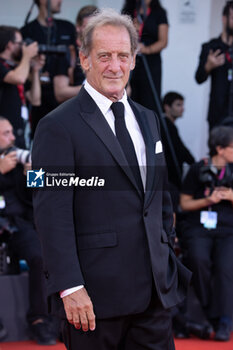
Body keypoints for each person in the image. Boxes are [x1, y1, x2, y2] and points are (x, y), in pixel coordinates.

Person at [32, 9, 191, 350]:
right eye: (104, 56)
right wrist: (69, 287)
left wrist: (167, 252)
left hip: (154, 297)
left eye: (122, 56)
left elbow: (158, 195)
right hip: (93, 301)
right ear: (84, 58)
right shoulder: (55, 126)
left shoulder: (149, 119)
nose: (114, 66)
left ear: (134, 59)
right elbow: (49, 214)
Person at [0, 116, 56, 345]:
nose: (13, 137)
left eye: (12, 132)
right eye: (6, 133)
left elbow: (36, 199)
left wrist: (33, 176)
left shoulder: (18, 158)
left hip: (18, 224)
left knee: (41, 255)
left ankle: (39, 321)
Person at [180, 126, 233, 341]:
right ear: (220, 149)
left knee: (224, 268)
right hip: (199, 228)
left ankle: (223, 321)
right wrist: (207, 200)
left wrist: (230, 196)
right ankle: (211, 314)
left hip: (227, 229)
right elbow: (184, 204)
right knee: (198, 260)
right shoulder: (197, 169)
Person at [21, 0, 76, 136]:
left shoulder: (67, 27)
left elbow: (77, 55)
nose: (61, 1)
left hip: (67, 97)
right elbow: (21, 65)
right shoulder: (27, 31)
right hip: (39, 98)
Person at [0, 26, 43, 148]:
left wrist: (35, 71)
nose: (23, 47)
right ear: (9, 45)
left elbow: (35, 100)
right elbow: (18, 78)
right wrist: (27, 56)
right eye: (20, 43)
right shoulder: (3, 66)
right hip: (3, 135)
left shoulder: (16, 68)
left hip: (20, 133)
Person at [122, 0, 168, 112]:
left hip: (151, 63)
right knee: (129, 97)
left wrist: (146, 49)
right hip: (130, 62)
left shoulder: (159, 12)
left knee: (150, 100)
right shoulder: (128, 11)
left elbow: (163, 41)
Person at [195, 1, 233, 129]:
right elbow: (199, 78)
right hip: (217, 113)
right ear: (224, 19)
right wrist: (209, 66)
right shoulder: (211, 47)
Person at [53, 5, 98, 103]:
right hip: (75, 111)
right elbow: (60, 93)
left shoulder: (105, 51)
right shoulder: (67, 52)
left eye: (96, 27)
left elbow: (127, 90)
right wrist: (96, 89)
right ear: (78, 28)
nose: (92, 31)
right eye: (88, 27)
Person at [161, 92, 195, 190]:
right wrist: (193, 162)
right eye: (178, 105)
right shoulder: (166, 126)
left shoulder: (168, 126)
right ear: (167, 107)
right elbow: (180, 150)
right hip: (168, 178)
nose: (182, 108)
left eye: (182, 105)